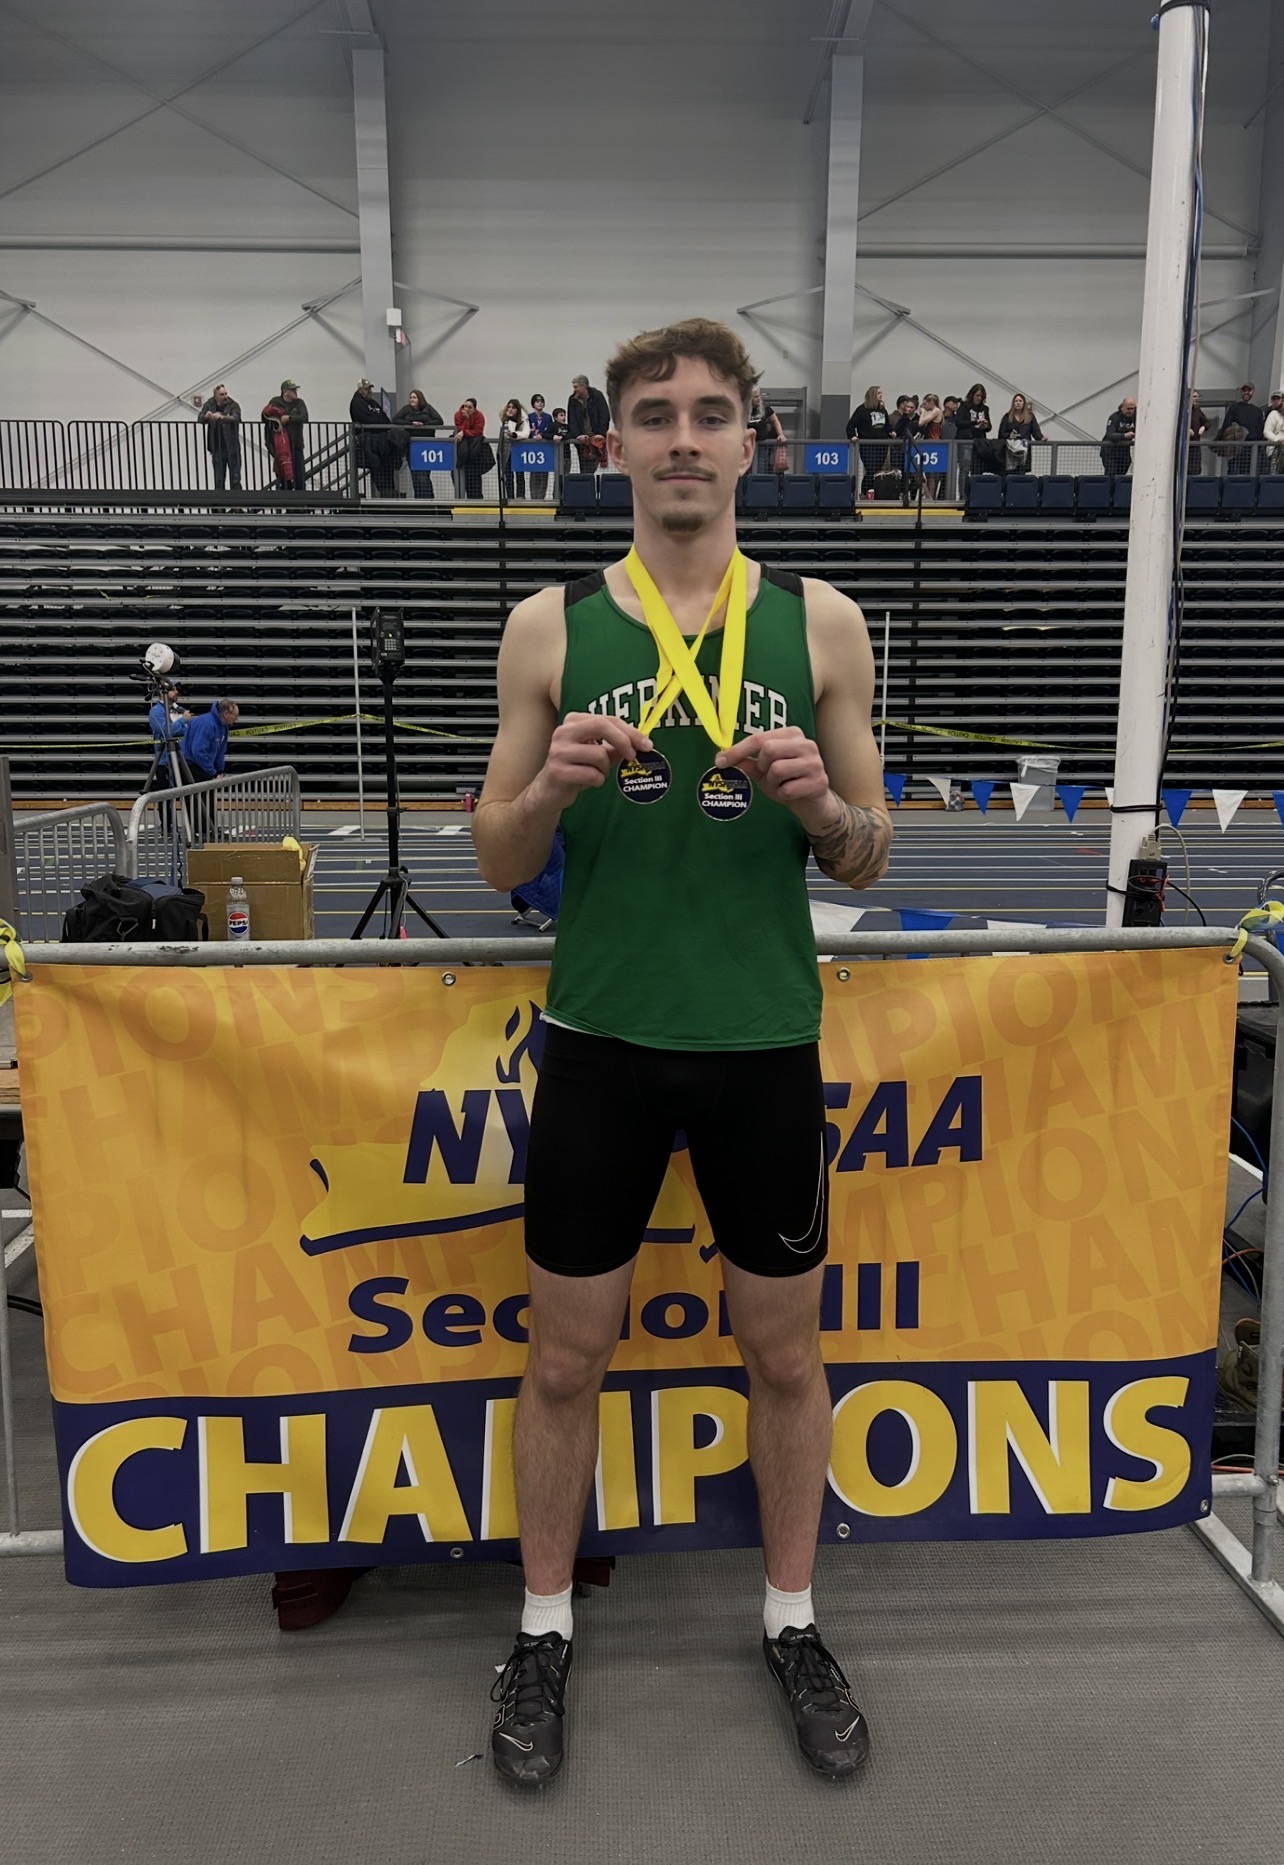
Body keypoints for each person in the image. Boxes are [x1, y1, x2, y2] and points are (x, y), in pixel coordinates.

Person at [473, 315, 891, 1789]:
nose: (684, 439)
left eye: (712, 413)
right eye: (655, 415)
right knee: (562, 1357)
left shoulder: (824, 623)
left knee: (784, 1352)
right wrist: (548, 791)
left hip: (762, 1041)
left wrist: (822, 807)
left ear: (750, 443)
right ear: (615, 446)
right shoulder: (548, 625)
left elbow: (870, 851)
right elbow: (493, 854)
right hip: (598, 1042)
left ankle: (792, 1618)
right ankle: (541, 1628)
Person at [350, 379, 403, 498]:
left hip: (382, 441)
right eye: (366, 389)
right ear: (360, 390)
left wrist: (378, 422)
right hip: (370, 441)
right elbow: (364, 419)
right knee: (377, 468)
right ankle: (384, 494)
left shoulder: (373, 403)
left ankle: (390, 493)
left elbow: (386, 419)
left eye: (370, 388)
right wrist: (379, 422)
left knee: (387, 468)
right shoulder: (357, 402)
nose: (369, 391)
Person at [394, 389, 445, 498]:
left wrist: (424, 424)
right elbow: (396, 419)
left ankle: (429, 499)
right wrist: (410, 423)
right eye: (410, 397)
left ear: (419, 399)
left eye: (414, 397)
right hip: (411, 446)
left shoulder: (428, 408)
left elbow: (439, 421)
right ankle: (419, 499)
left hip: (426, 446)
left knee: (424, 476)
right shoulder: (406, 409)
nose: (412, 399)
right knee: (415, 475)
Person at [845, 385, 890, 498]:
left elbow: (887, 425)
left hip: (882, 445)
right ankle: (866, 491)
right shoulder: (862, 410)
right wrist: (852, 436)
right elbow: (851, 424)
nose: (881, 395)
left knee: (877, 469)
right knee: (870, 468)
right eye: (878, 393)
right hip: (868, 445)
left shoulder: (882, 410)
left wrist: (891, 432)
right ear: (873, 395)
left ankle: (873, 491)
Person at [262, 380, 307, 491]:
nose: (295, 392)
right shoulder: (275, 401)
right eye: (292, 390)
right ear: (285, 392)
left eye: (295, 389)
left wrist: (289, 418)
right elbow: (265, 417)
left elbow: (304, 417)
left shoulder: (299, 403)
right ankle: (285, 497)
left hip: (296, 444)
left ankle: (300, 499)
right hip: (281, 446)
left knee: (299, 475)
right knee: (283, 475)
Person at [183, 699, 240, 783]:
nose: (236, 719)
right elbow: (198, 752)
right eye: (234, 716)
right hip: (190, 767)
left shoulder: (223, 727)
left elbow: (220, 751)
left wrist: (220, 770)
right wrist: (213, 773)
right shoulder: (207, 724)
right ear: (226, 714)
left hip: (204, 767)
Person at [198, 385, 242, 491]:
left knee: (235, 478)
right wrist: (207, 416)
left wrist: (223, 417)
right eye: (222, 394)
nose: (225, 396)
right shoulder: (209, 404)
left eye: (226, 393)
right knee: (219, 479)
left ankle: (237, 501)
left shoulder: (233, 404)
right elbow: (200, 418)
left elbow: (236, 417)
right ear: (215, 395)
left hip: (232, 447)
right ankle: (219, 501)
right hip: (217, 447)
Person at [1216, 384, 1265, 474]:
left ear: (1253, 392)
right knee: (1233, 474)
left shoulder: (1257, 411)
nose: (1246, 392)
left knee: (1250, 474)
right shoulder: (1234, 408)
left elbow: (1260, 431)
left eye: (1248, 390)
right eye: (1244, 390)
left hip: (1252, 449)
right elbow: (1226, 427)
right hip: (1236, 448)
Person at [567, 373, 610, 473]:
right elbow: (572, 419)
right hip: (581, 440)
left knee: (591, 466)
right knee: (584, 467)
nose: (574, 390)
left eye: (576, 387)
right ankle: (586, 481)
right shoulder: (572, 400)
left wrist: (601, 433)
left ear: (584, 386)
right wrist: (578, 435)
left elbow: (604, 415)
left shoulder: (597, 396)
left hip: (596, 438)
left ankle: (587, 481)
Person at [995, 392, 1044, 476]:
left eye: (1020, 401)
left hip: (1023, 451)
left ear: (1024, 403)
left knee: (1021, 474)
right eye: (1016, 401)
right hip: (1010, 451)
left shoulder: (1030, 417)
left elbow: (1035, 431)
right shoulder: (1007, 417)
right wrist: (1009, 435)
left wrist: (1041, 438)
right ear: (1013, 403)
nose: (1018, 403)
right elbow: (1001, 434)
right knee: (1009, 474)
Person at [453, 398, 490, 499]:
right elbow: (458, 429)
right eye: (465, 406)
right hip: (462, 451)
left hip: (474, 451)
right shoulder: (458, 415)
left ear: (474, 409)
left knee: (475, 483)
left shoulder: (479, 416)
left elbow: (478, 431)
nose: (466, 409)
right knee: (460, 479)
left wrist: (464, 432)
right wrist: (466, 419)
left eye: (470, 407)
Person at [956, 384, 992, 476]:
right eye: (977, 395)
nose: (979, 398)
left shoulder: (985, 409)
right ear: (972, 395)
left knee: (978, 468)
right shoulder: (964, 406)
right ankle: (963, 486)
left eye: (981, 396)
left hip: (980, 442)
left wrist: (985, 425)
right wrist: (974, 422)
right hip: (966, 440)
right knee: (965, 467)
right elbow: (958, 422)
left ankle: (975, 485)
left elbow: (989, 427)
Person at [748, 385, 785, 474]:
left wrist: (780, 434)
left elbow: (775, 420)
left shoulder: (764, 407)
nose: (759, 399)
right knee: (746, 470)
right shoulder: (742, 409)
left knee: (761, 468)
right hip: (747, 445)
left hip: (762, 445)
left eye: (759, 396)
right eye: (756, 397)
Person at [499, 398, 529, 501]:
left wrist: (515, 435)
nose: (510, 409)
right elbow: (506, 434)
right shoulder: (504, 418)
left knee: (519, 473)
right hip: (507, 450)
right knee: (508, 474)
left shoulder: (523, 418)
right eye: (509, 407)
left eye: (513, 408)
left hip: (519, 449)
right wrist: (508, 419)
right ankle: (510, 496)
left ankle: (520, 496)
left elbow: (526, 433)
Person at [525, 393, 554, 498]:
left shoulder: (548, 417)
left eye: (541, 402)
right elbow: (526, 431)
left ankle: (541, 497)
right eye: (537, 402)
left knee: (544, 473)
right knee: (534, 473)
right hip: (533, 449)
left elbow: (550, 430)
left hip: (545, 449)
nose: (540, 403)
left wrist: (542, 435)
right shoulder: (529, 417)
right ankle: (534, 496)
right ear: (533, 404)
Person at [1100, 397, 1136, 476]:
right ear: (1122, 407)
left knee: (1122, 473)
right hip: (1110, 451)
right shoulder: (1114, 417)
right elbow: (1110, 434)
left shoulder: (1136, 417)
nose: (1130, 411)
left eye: (1132, 408)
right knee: (1111, 474)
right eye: (1128, 408)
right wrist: (1124, 436)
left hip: (1124, 452)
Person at [1187, 390, 1210, 475]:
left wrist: (1203, 427)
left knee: (1195, 468)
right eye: (1194, 396)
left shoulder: (1197, 411)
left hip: (1195, 444)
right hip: (1186, 445)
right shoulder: (1184, 411)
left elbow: (1207, 423)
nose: (1196, 398)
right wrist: (1187, 430)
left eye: (1197, 396)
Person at [1264, 392, 1284, 473]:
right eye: (1274, 399)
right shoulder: (1273, 414)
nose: (1276, 401)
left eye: (1278, 399)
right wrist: (1278, 439)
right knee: (1275, 474)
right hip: (1275, 450)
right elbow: (1266, 432)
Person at [550, 406, 571, 477]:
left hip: (567, 455)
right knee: (558, 475)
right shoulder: (552, 425)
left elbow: (571, 434)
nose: (564, 417)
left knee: (566, 474)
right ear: (555, 417)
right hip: (557, 454)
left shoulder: (567, 426)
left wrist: (562, 437)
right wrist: (553, 436)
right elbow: (545, 434)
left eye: (564, 415)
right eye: (561, 415)